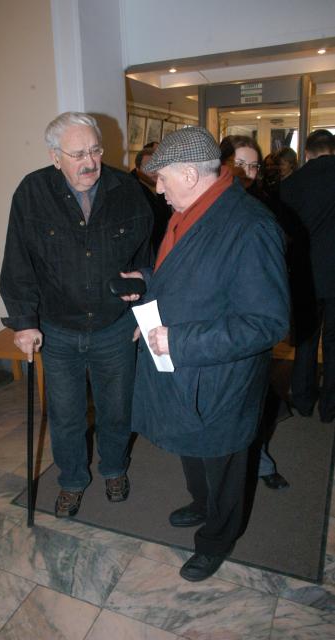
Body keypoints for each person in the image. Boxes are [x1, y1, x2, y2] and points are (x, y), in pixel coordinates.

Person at [124, 127, 290, 581]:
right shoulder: (189, 211)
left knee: (223, 462)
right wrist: (147, 283)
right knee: (192, 450)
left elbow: (267, 323)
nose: (158, 189)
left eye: (162, 178)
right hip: (183, 372)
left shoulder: (251, 226)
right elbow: (188, 276)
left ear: (189, 174)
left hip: (221, 377)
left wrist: (179, 341)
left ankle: (219, 537)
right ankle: (202, 504)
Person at [0, 111, 153, 517]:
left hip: (114, 327)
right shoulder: (32, 193)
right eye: (78, 154)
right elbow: (18, 262)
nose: (91, 162)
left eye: (96, 150)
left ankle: (114, 468)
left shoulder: (127, 190)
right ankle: (71, 480)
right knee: (66, 415)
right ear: (55, 156)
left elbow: (148, 257)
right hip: (58, 329)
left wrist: (144, 310)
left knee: (116, 410)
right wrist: (24, 322)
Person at [220, 135, 290, 491]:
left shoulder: (264, 206)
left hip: (251, 322)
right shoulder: (209, 204)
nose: (247, 173)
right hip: (219, 320)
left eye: (253, 166)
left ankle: (259, 463)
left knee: (254, 401)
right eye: (239, 165)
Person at [280, 129, 335, 423]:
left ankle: (302, 399)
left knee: (306, 340)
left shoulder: (292, 184)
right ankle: (330, 406)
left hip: (306, 275)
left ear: (307, 152)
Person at [131, 147, 172, 254]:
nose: (154, 171)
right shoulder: (131, 191)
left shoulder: (161, 186)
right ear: (138, 169)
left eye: (156, 165)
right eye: (149, 166)